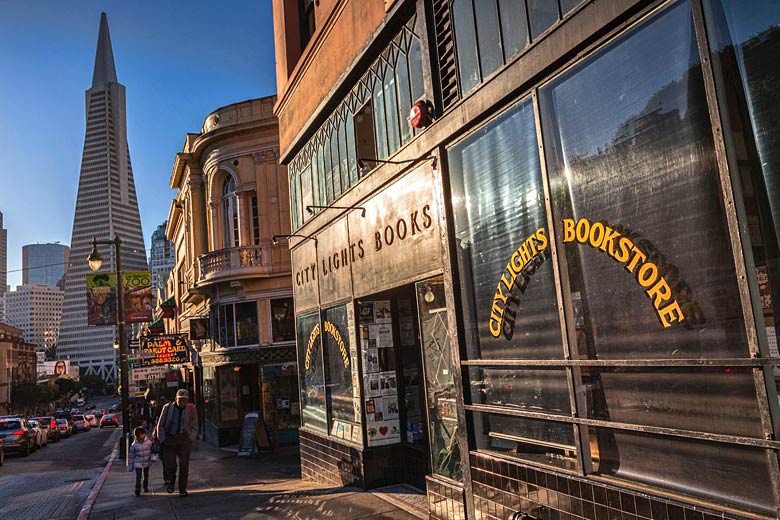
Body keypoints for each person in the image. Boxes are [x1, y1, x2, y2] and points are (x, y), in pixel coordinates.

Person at [154, 389, 197, 497]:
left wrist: (191, 438)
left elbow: (195, 425)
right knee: (171, 465)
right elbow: (161, 425)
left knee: (184, 465)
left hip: (184, 439)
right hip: (170, 439)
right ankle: (171, 481)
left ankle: (182, 488)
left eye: (184, 400)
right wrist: (162, 439)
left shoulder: (191, 409)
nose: (182, 402)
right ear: (176, 399)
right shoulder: (167, 408)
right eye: (180, 400)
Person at [128, 426, 153, 496]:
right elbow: (131, 456)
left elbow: (152, 451)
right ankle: (137, 488)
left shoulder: (148, 442)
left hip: (146, 461)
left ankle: (145, 486)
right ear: (137, 435)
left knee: (146, 475)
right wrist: (130, 466)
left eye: (143, 434)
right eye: (141, 434)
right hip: (137, 463)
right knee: (138, 476)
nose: (142, 435)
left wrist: (153, 458)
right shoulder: (134, 445)